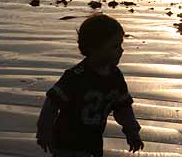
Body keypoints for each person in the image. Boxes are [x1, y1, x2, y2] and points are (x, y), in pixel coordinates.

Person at [36, 14, 144, 157]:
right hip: (66, 144)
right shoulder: (75, 76)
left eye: (120, 44)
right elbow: (52, 102)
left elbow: (123, 107)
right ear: (94, 48)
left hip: (93, 144)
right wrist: (44, 129)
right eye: (115, 46)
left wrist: (132, 131)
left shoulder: (115, 76)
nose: (121, 50)